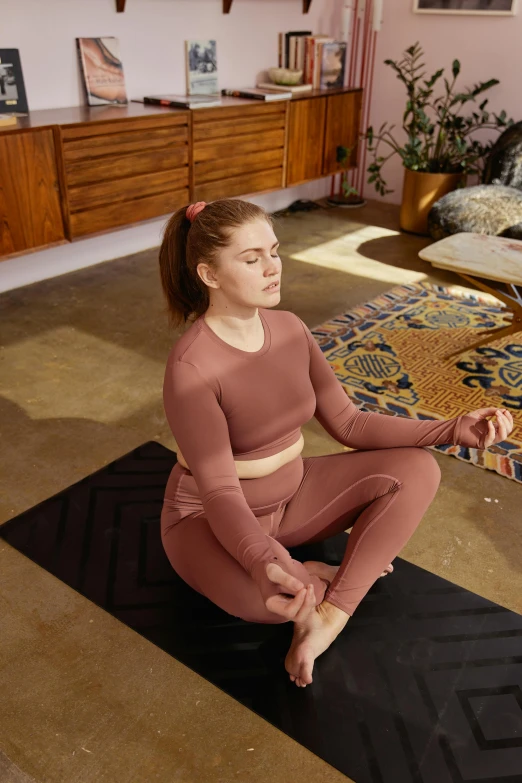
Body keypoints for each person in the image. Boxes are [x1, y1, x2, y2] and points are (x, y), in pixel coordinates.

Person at [158, 198, 513, 689]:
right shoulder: (191, 369)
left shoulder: (290, 329)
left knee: (418, 470)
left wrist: (452, 429)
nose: (272, 267)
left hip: (294, 494)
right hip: (209, 519)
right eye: (251, 258)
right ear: (209, 275)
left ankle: (332, 612)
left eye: (275, 252)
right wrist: (263, 563)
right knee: (274, 606)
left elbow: (349, 423)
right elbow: (219, 494)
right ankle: (309, 575)